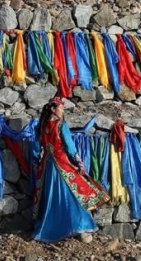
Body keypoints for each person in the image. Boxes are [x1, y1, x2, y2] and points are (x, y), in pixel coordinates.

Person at [33, 97, 109, 242]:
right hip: (62, 163)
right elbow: (70, 146)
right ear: (53, 110)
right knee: (73, 194)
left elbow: (37, 148)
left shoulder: (42, 126)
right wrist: (80, 163)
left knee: (50, 196)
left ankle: (50, 228)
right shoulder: (61, 125)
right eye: (61, 108)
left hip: (47, 166)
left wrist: (38, 161)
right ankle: (78, 226)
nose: (63, 111)